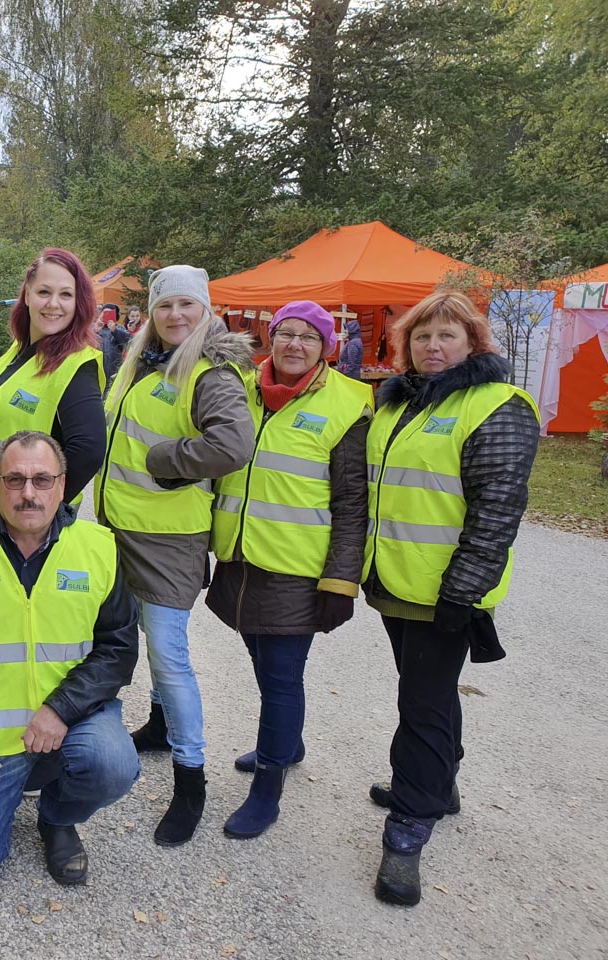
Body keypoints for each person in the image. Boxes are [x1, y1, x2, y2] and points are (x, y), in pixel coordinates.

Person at [363, 290, 539, 906]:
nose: (432, 348)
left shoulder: (497, 406)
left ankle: (409, 825)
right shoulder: (397, 404)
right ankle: (440, 783)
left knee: (422, 705)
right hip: (396, 583)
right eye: (421, 337)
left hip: (447, 592)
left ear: (473, 344)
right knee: (426, 696)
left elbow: (497, 511)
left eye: (446, 337)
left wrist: (463, 592)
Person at [0, 430, 140, 885]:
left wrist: (61, 709)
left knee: (112, 763)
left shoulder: (97, 547)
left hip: (66, 726)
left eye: (41, 479)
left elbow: (119, 647)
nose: (28, 493)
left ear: (62, 483)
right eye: (14, 480)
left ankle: (56, 817)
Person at [95, 264, 255, 847]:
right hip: (121, 531)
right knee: (137, 638)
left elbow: (232, 444)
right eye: (165, 307)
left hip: (168, 541)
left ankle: (191, 779)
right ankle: (162, 728)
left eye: (188, 305)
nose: (176, 316)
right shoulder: (142, 364)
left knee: (168, 655)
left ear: (206, 310)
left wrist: (165, 464)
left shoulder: (210, 372)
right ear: (151, 315)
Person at [206, 300, 373, 839]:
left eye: (308, 337)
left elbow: (352, 504)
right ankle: (289, 743)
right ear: (270, 339)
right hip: (240, 559)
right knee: (261, 661)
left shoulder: (348, 405)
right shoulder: (242, 391)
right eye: (286, 334)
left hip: (297, 571)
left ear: (326, 346)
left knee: (281, 679)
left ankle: (268, 789)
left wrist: (340, 581)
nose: (294, 345)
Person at [0, 248, 105, 512]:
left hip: (19, 531)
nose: (53, 303)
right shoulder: (19, 350)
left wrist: (37, 509)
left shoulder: (77, 366)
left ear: (78, 302)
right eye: (44, 292)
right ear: (27, 294)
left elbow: (89, 452)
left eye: (66, 295)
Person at [97, 304, 132, 387]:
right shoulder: (95, 327)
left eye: (110, 313)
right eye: (105, 312)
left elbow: (129, 342)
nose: (107, 315)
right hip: (97, 373)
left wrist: (115, 331)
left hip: (113, 372)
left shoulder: (119, 328)